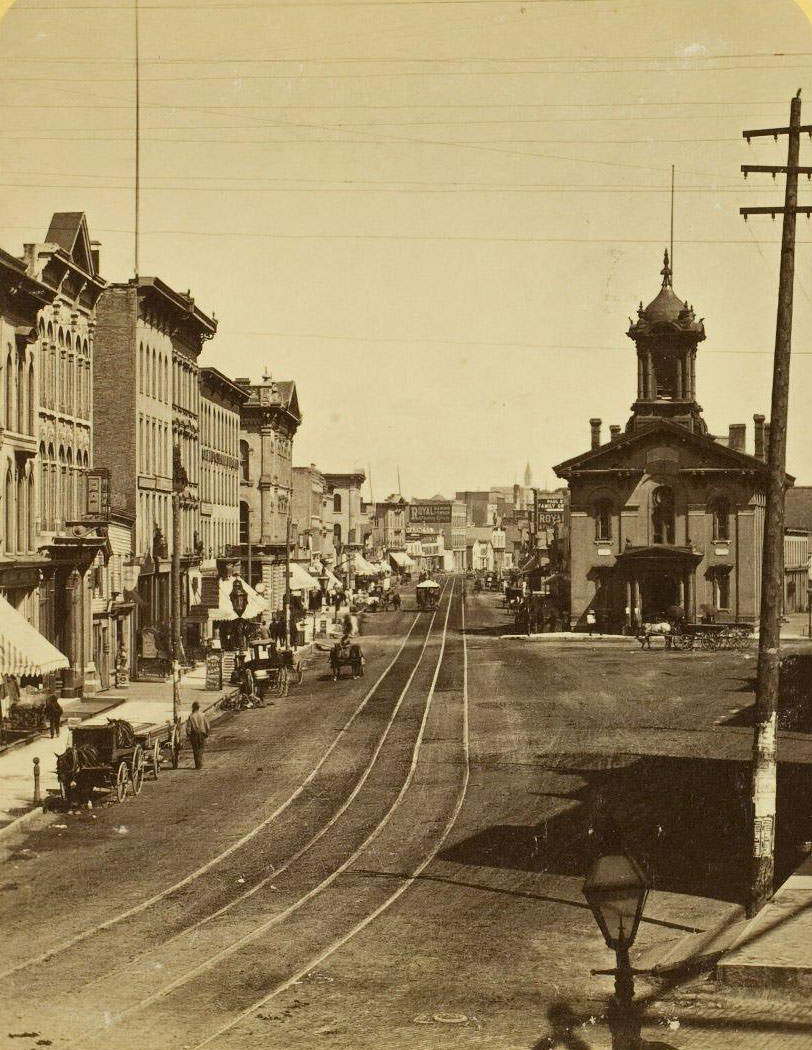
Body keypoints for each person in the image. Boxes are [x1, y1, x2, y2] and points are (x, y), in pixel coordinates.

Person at [186, 701, 210, 769]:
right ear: (199, 708)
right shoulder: (203, 715)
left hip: (194, 734)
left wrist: (188, 735)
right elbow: (207, 725)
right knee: (201, 748)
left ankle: (197, 764)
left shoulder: (191, 716)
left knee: (195, 749)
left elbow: (188, 727)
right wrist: (207, 732)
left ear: (193, 707)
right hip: (202, 733)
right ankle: (200, 763)